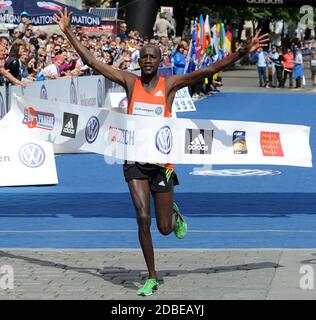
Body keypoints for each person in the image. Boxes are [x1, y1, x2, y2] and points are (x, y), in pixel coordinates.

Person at [54, 8, 269, 296]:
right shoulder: (130, 82)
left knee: (165, 228)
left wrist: (242, 51)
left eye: (152, 57)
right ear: (138, 61)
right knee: (143, 217)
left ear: (160, 61)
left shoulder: (169, 86)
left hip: (162, 164)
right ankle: (152, 276)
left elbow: (207, 71)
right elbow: (91, 61)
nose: (147, 61)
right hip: (134, 161)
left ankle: (174, 215)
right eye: (143, 57)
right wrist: (68, 32)